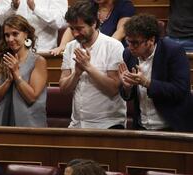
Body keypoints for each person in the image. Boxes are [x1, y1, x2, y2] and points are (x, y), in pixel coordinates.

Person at [119, 14, 193, 132]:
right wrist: (127, 87)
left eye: (135, 43)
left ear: (151, 40)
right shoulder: (128, 54)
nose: (131, 47)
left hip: (172, 127)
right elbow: (127, 94)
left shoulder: (173, 51)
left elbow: (180, 90)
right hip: (142, 126)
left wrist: (147, 82)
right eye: (128, 41)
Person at [59, 0, 126, 129]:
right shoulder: (70, 47)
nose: (75, 34)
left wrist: (88, 67)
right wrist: (77, 73)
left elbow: (113, 89)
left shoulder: (113, 46)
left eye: (79, 28)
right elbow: (64, 89)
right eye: (72, 29)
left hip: (108, 125)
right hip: (77, 124)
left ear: (94, 23)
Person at [0, 15, 48, 127]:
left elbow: (31, 97)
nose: (10, 39)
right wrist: (7, 82)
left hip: (29, 126)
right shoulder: (0, 60)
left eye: (15, 34)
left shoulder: (38, 61)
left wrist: (16, 74)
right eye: (7, 35)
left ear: (26, 34)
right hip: (1, 124)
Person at [51, 0, 134, 56]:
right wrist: (63, 45)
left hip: (111, 52)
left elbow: (120, 32)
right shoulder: (88, 4)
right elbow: (74, 26)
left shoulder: (124, 5)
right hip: (87, 49)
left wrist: (99, 50)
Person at [0, 0, 67, 52]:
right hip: (14, 53)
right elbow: (1, 22)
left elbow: (60, 23)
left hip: (44, 52)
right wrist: (13, 7)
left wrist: (36, 9)